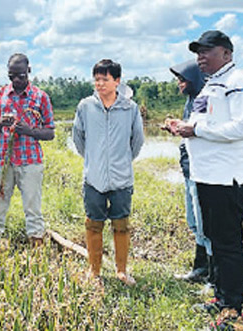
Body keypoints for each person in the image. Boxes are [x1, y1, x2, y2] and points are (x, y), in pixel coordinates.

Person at [170, 30, 243, 327]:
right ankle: (220, 297)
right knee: (215, 241)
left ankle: (233, 306)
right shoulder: (210, 86)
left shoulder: (239, 84)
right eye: (198, 52)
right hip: (207, 177)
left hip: (228, 178)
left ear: (227, 54)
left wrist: (196, 131)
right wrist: (183, 126)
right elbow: (204, 123)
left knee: (228, 243)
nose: (200, 57)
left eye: (207, 51)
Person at [72, 59, 144, 285]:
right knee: (93, 223)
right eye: (97, 79)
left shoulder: (129, 109)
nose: (99, 84)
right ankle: (94, 271)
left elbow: (137, 141)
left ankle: (121, 271)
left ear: (117, 81)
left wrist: (120, 161)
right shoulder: (85, 106)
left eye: (105, 79)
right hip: (93, 178)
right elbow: (78, 138)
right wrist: (95, 159)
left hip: (121, 178)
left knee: (121, 225)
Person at [0, 53, 55, 247]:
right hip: (2, 161)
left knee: (33, 207)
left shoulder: (40, 97)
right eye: (12, 76)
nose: (16, 80)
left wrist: (29, 131)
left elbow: (50, 133)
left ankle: (37, 246)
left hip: (30, 161)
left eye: (20, 76)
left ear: (28, 71)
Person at [166, 60, 212, 284]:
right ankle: (200, 268)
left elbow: (205, 131)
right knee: (194, 222)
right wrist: (177, 127)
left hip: (201, 170)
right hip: (188, 169)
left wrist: (186, 129)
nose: (179, 83)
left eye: (182, 79)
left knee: (205, 224)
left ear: (194, 78)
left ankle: (212, 275)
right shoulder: (191, 101)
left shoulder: (206, 99)